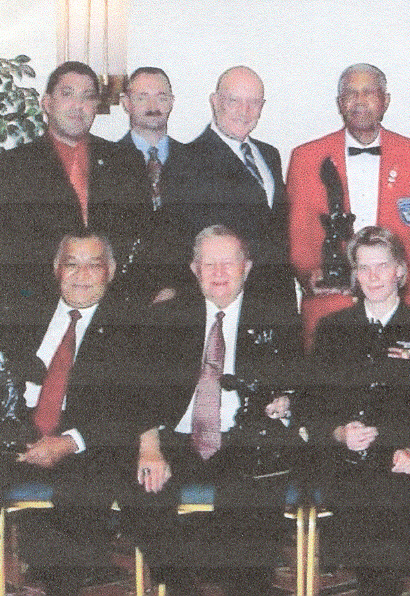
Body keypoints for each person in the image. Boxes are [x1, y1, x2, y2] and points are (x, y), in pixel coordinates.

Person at [126, 225, 302, 596]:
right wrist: (150, 448)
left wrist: (286, 403)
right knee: (141, 491)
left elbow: (302, 386)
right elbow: (138, 390)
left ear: (247, 267)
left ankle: (243, 585)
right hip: (179, 437)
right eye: (209, 264)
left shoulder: (277, 318)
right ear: (194, 269)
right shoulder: (167, 317)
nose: (219, 273)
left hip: (245, 439)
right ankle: (181, 586)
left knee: (254, 498)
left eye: (229, 263)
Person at [297, 225, 410, 596]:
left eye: (382, 266)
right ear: (354, 274)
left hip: (402, 455)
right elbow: (310, 406)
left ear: (400, 270)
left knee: (385, 505)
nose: (374, 276)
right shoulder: (333, 329)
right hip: (343, 457)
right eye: (364, 268)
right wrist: (338, 433)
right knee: (363, 505)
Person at [0, 231, 138, 596]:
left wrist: (67, 443)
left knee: (81, 498)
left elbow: (128, 408)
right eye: (71, 265)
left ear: (110, 271)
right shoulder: (22, 315)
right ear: (56, 270)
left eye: (93, 265)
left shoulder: (131, 328)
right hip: (15, 433)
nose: (81, 275)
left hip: (84, 445)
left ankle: (63, 572)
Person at [286, 63, 410, 344]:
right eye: (350, 93)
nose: (360, 101)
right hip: (331, 311)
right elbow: (299, 240)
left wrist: (390, 282)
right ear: (340, 103)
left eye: (369, 92)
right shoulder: (306, 158)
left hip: (403, 311)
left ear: (385, 101)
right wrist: (311, 273)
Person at [0, 61, 152, 303]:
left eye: (88, 97)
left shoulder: (125, 161)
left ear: (96, 106)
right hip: (35, 305)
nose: (77, 105)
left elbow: (144, 235)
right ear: (46, 103)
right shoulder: (12, 167)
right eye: (67, 94)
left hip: (116, 305)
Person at [160, 66, 295, 309]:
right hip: (222, 302)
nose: (245, 111)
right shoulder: (186, 160)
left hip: (276, 300)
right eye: (234, 101)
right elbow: (177, 241)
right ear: (215, 102)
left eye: (254, 102)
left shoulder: (269, 154)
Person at [117, 66, 185, 302]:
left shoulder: (196, 160)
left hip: (186, 297)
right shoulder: (106, 162)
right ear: (126, 102)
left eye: (161, 97)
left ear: (172, 102)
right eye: (142, 97)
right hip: (126, 300)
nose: (153, 105)